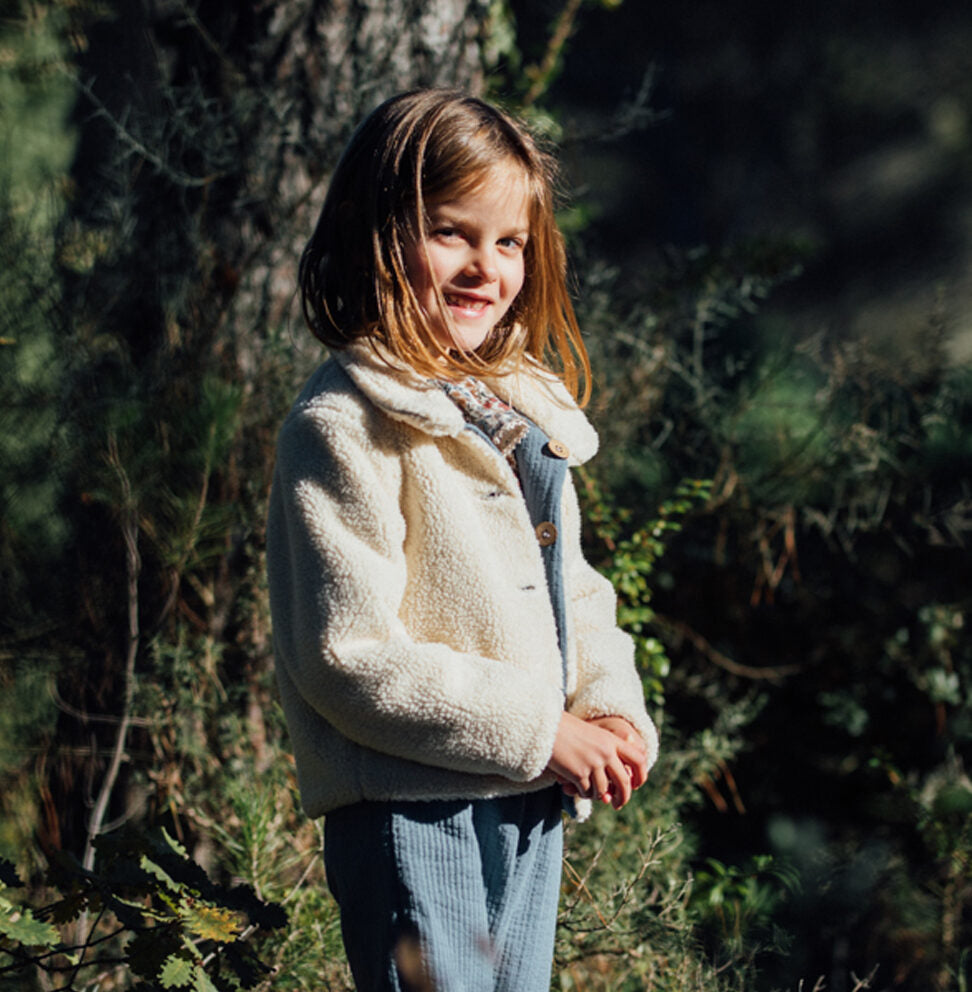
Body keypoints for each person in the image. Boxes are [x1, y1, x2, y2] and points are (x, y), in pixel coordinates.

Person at [266, 89, 658, 992]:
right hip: (413, 811)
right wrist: (540, 732)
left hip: (526, 802)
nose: (487, 266)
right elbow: (346, 656)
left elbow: (574, 588)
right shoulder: (341, 425)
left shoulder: (511, 409)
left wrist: (606, 708)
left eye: (510, 242)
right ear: (376, 235)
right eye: (451, 232)